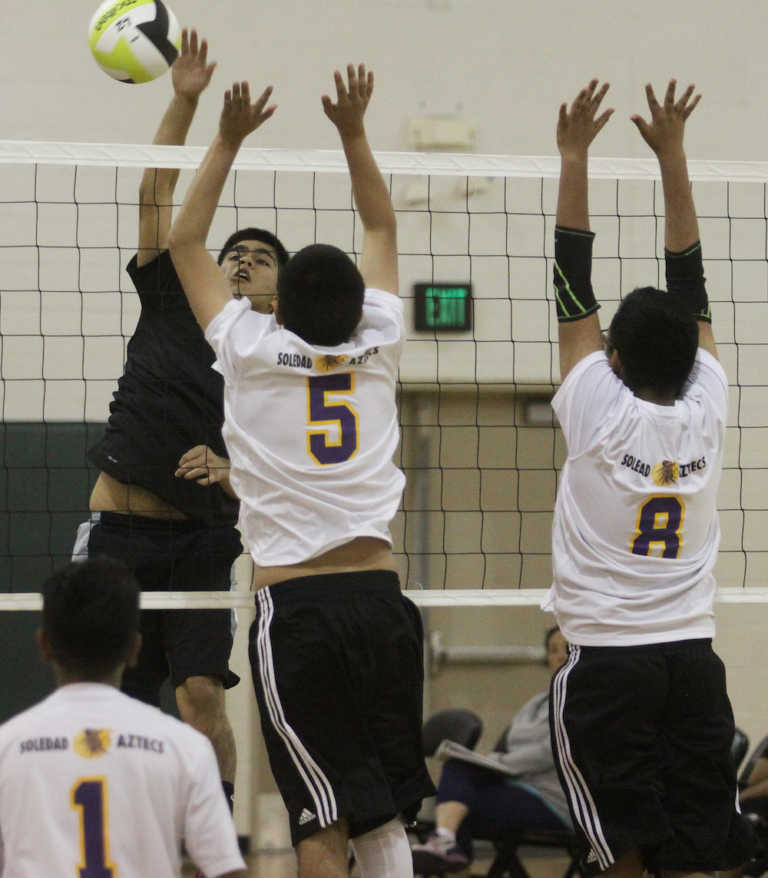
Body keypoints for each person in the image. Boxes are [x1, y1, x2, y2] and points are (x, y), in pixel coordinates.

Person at [167, 64, 435, 878]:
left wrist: (228, 136)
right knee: (381, 810)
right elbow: (382, 228)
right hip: (384, 601)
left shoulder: (248, 346)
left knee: (318, 816)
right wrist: (354, 131)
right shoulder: (381, 335)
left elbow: (183, 241)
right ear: (361, 307)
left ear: (279, 307)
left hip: (301, 610)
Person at [542, 78, 754, 878]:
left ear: (615, 360)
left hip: (610, 666)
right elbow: (690, 280)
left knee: (621, 850)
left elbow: (570, 285)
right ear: (694, 357)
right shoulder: (710, 406)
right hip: (693, 662)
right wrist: (674, 156)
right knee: (702, 850)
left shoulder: (600, 410)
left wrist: (572, 156)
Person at [75, 28, 288, 813]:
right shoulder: (170, 297)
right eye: (234, 251)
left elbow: (297, 470)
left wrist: (233, 471)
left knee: (201, 695)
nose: (242, 259)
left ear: (281, 291)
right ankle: (122, 833)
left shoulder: (282, 361)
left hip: (203, 538)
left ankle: (213, 843)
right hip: (120, 531)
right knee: (115, 707)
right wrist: (186, 100)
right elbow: (154, 196)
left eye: (262, 258)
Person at [0, 556, 246, 878]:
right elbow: (225, 871)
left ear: (44, 645)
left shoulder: (7, 747)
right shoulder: (186, 748)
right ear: (135, 647)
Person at [411, 627, 571, 874]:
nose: (560, 656)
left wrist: (497, 762)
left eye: (568, 649)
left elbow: (549, 752)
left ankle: (450, 846)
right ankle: (448, 844)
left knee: (458, 796)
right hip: (518, 785)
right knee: (457, 772)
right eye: (553, 650)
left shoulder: (583, 703)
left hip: (554, 801)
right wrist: (493, 762)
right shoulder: (536, 704)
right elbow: (513, 747)